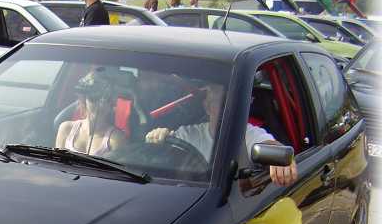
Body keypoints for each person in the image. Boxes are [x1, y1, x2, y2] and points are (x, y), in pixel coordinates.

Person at [145, 83, 298, 186]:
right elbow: (159, 147)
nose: (229, 109)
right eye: (221, 103)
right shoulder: (190, 134)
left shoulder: (248, 133)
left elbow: (269, 145)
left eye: (234, 104)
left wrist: (282, 158)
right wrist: (158, 136)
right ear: (207, 107)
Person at [56, 68, 125, 156]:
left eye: (107, 99)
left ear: (112, 104)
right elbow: (55, 162)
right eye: (94, 97)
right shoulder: (66, 128)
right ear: (83, 99)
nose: (101, 104)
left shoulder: (116, 138)